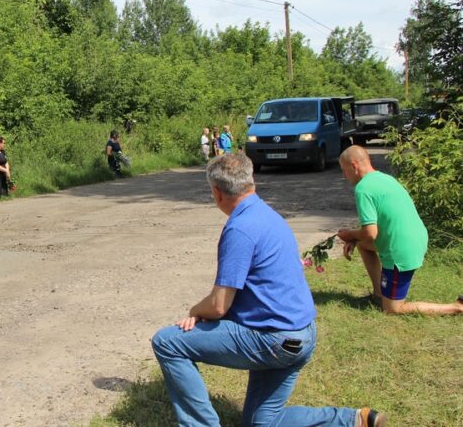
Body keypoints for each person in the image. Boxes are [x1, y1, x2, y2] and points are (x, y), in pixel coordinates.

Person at [151, 153, 386, 427]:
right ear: (252, 182)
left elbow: (218, 305)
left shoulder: (239, 229)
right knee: (261, 422)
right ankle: (353, 420)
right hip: (303, 335)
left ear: (217, 193)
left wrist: (195, 311)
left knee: (167, 342)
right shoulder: (268, 214)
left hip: (275, 340)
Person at [336, 146, 463, 315]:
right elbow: (375, 230)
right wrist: (355, 239)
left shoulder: (363, 188)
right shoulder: (385, 178)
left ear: (354, 166)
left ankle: (456, 307)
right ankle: (379, 293)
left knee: (392, 309)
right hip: (417, 239)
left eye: (344, 171)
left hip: (400, 251)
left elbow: (370, 232)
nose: (344, 176)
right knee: (365, 245)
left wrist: (349, 235)